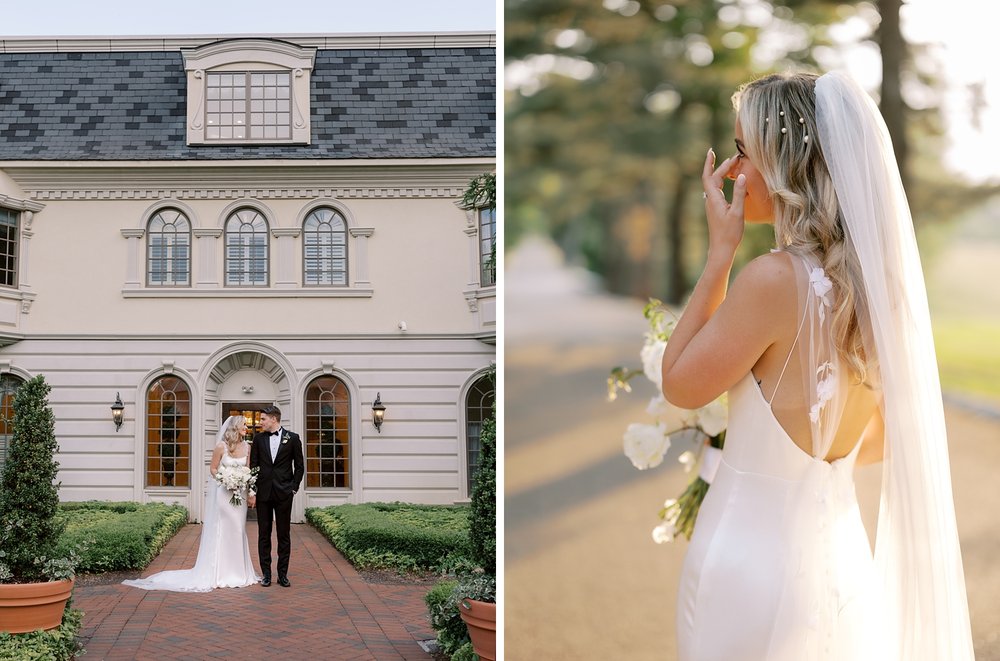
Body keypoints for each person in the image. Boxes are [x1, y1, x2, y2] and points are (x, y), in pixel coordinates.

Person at [662, 71, 973, 660]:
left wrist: (719, 255)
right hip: (839, 563)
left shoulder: (772, 280)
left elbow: (679, 384)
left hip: (746, 563)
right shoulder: (877, 293)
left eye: (741, 151)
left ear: (782, 164)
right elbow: (877, 441)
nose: (733, 172)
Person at [123, 415, 260, 592]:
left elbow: (248, 470)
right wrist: (224, 478)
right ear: (235, 427)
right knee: (223, 530)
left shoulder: (248, 447)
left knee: (238, 530)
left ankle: (239, 572)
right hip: (224, 493)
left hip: (239, 495)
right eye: (243, 425)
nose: (246, 427)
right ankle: (219, 573)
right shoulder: (221, 446)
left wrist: (248, 490)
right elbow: (213, 468)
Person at [249, 405, 303, 588]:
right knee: (263, 535)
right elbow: (253, 467)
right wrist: (253, 491)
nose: (260, 422)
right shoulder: (258, 439)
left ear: (273, 419)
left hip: (284, 493)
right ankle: (266, 574)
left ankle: (282, 574)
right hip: (263, 493)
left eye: (263, 419)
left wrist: (293, 488)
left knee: (283, 535)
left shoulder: (293, 438)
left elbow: (300, 466)